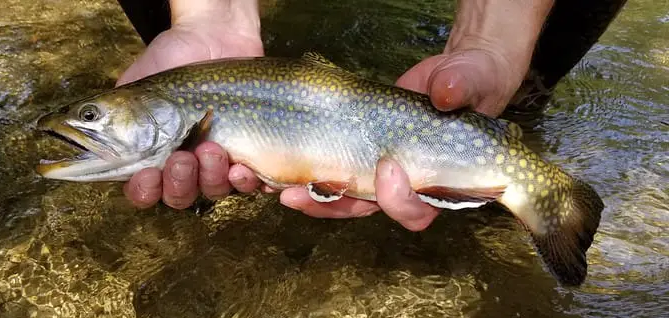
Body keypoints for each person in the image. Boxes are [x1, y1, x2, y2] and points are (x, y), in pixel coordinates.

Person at [113, 0, 561, 232]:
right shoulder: (181, 87)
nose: (89, 124)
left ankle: (512, 134)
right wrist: (207, 19)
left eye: (93, 116)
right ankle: (500, 159)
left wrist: (492, 45)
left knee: (519, 85)